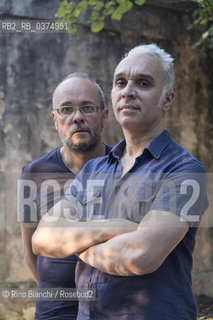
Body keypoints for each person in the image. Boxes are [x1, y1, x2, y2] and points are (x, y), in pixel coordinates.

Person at [32, 44, 208, 320]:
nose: (128, 91)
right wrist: (112, 228)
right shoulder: (93, 170)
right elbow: (42, 238)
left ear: (167, 100)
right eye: (120, 82)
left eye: (143, 83)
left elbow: (139, 256)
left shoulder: (185, 171)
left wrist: (73, 241)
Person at [19, 72, 136, 320]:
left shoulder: (128, 169)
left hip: (111, 311)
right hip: (54, 312)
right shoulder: (35, 173)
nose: (77, 117)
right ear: (55, 118)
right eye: (66, 109)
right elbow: (32, 253)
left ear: (104, 116)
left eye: (87, 108)